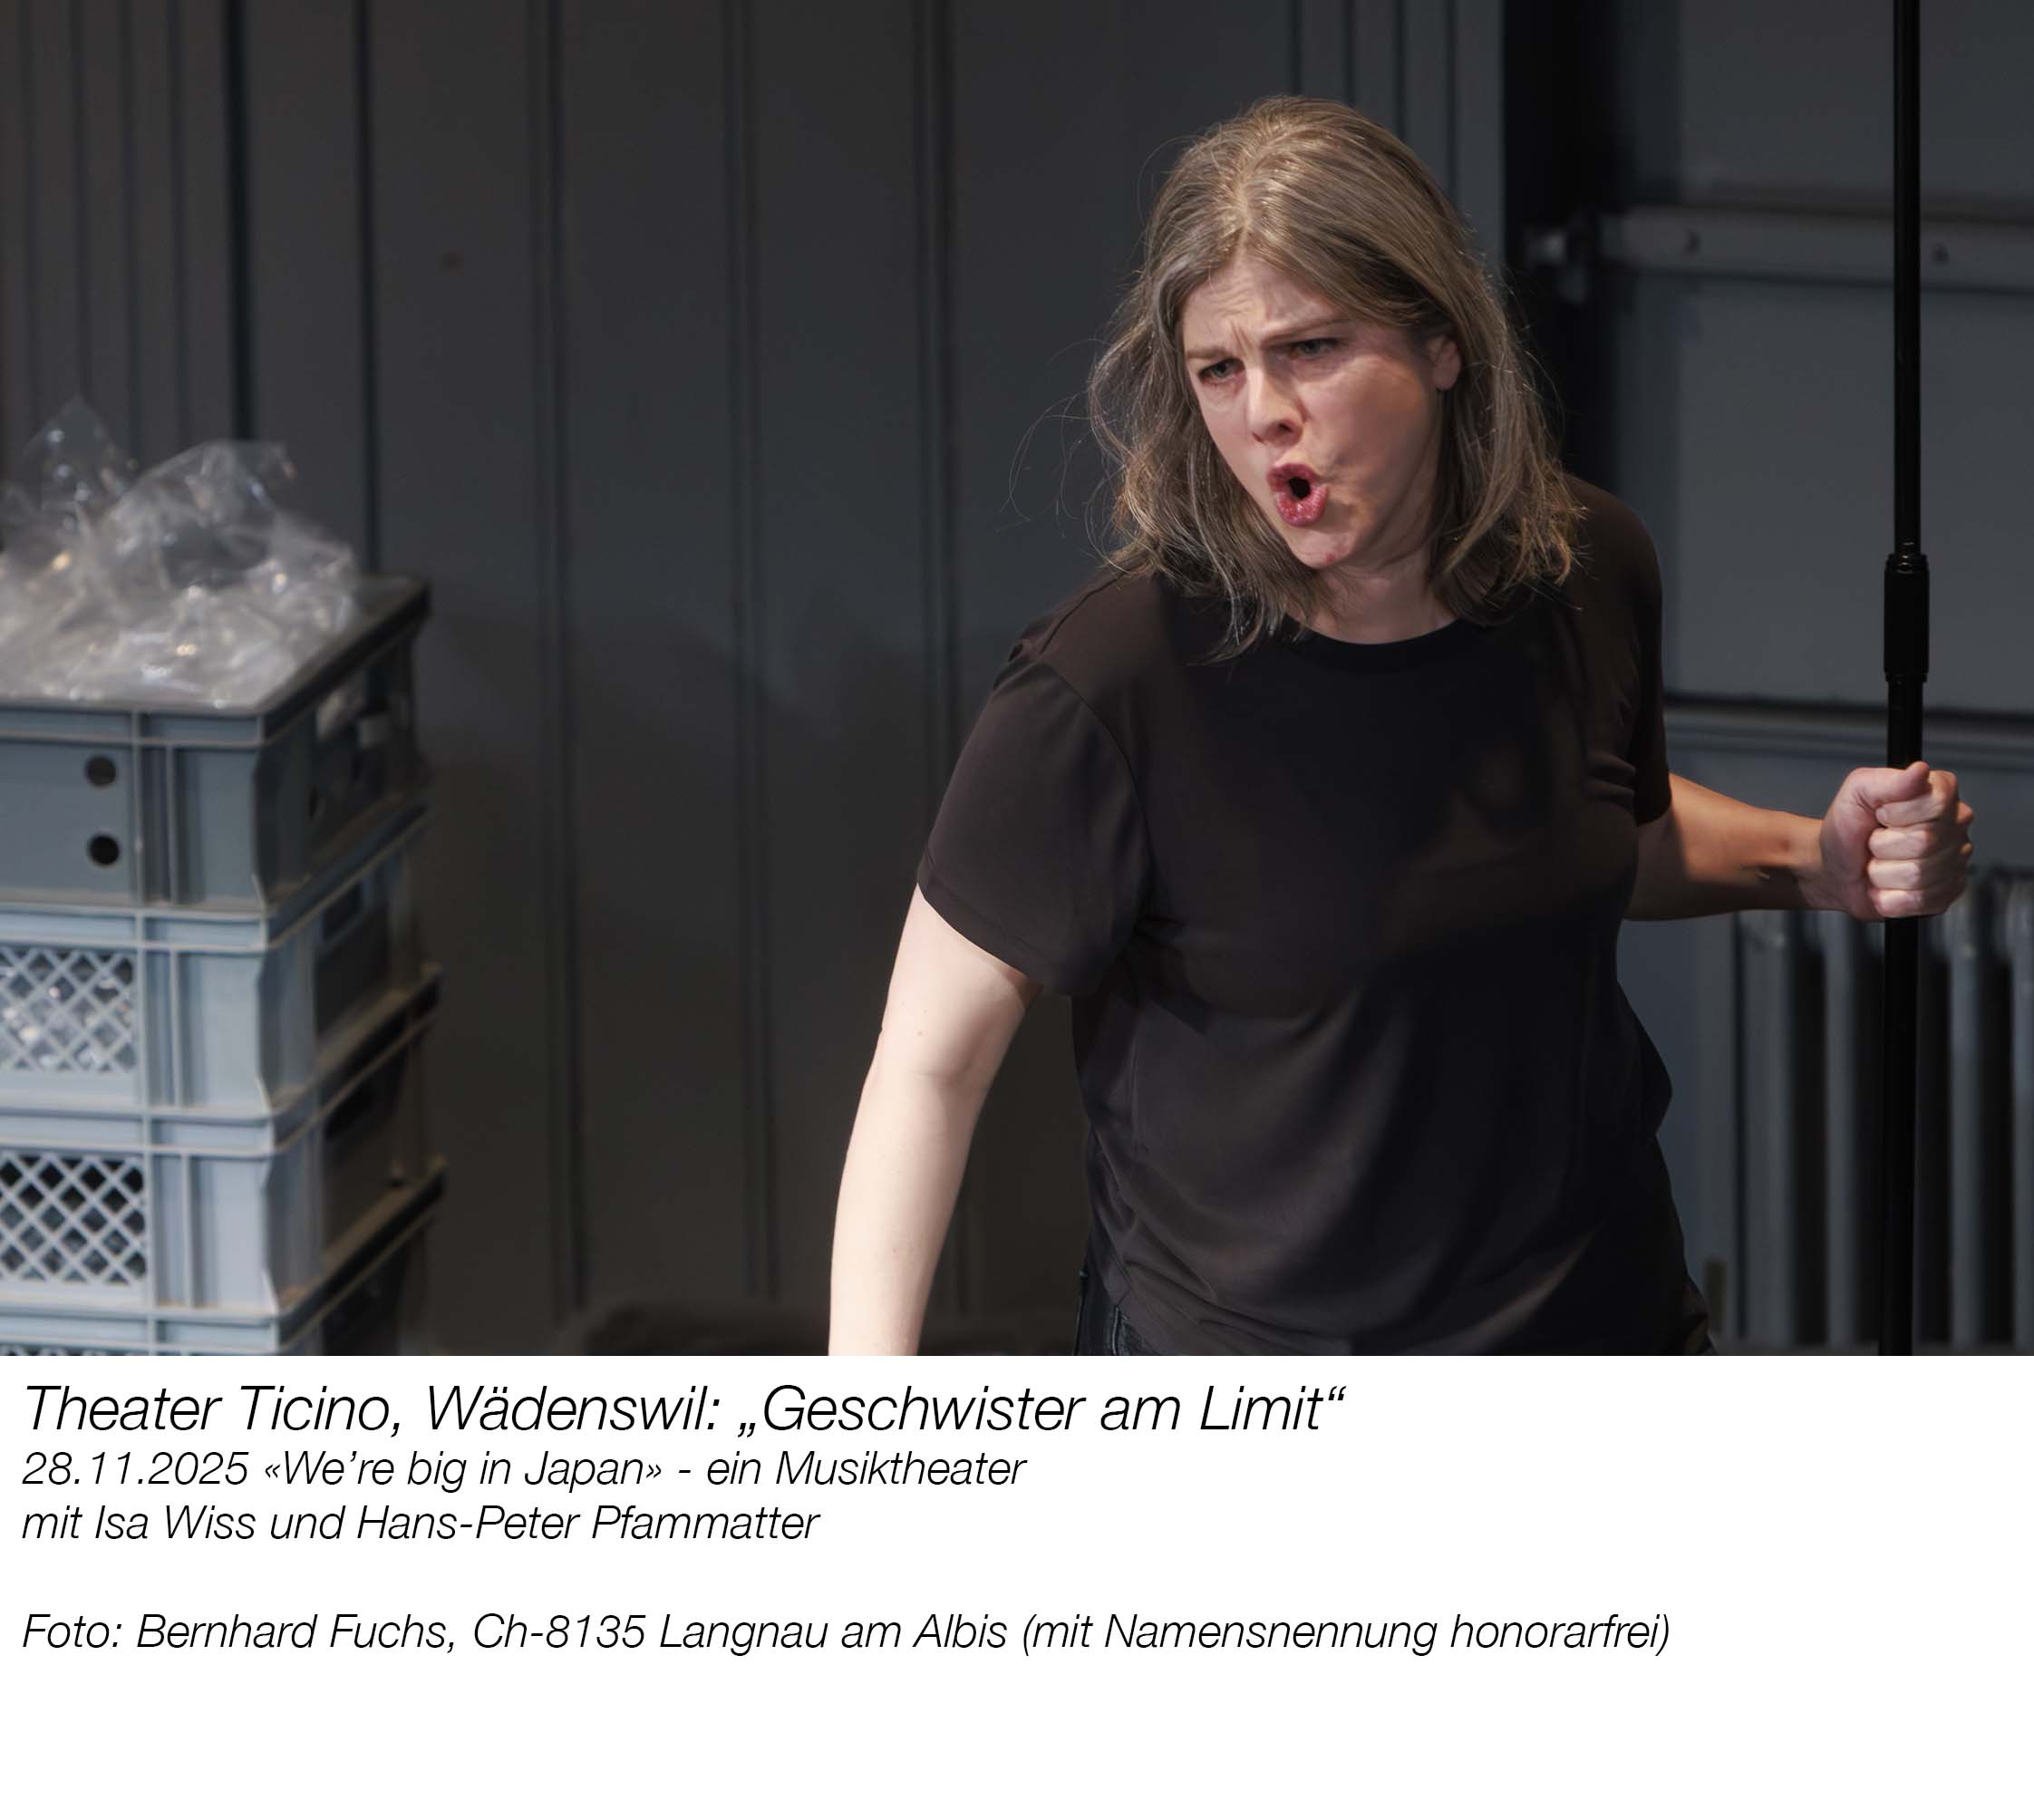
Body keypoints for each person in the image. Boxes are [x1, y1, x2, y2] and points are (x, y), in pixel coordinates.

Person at [828, 96, 1975, 1356]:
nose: (1264, 412)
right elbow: (929, 1066)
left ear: (1441, 343)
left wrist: (1815, 860)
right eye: (1220, 370)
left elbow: (1601, 835)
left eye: (1311, 348)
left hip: (1601, 1344)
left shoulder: (1584, 567)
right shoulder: (1110, 681)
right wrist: (862, 1428)